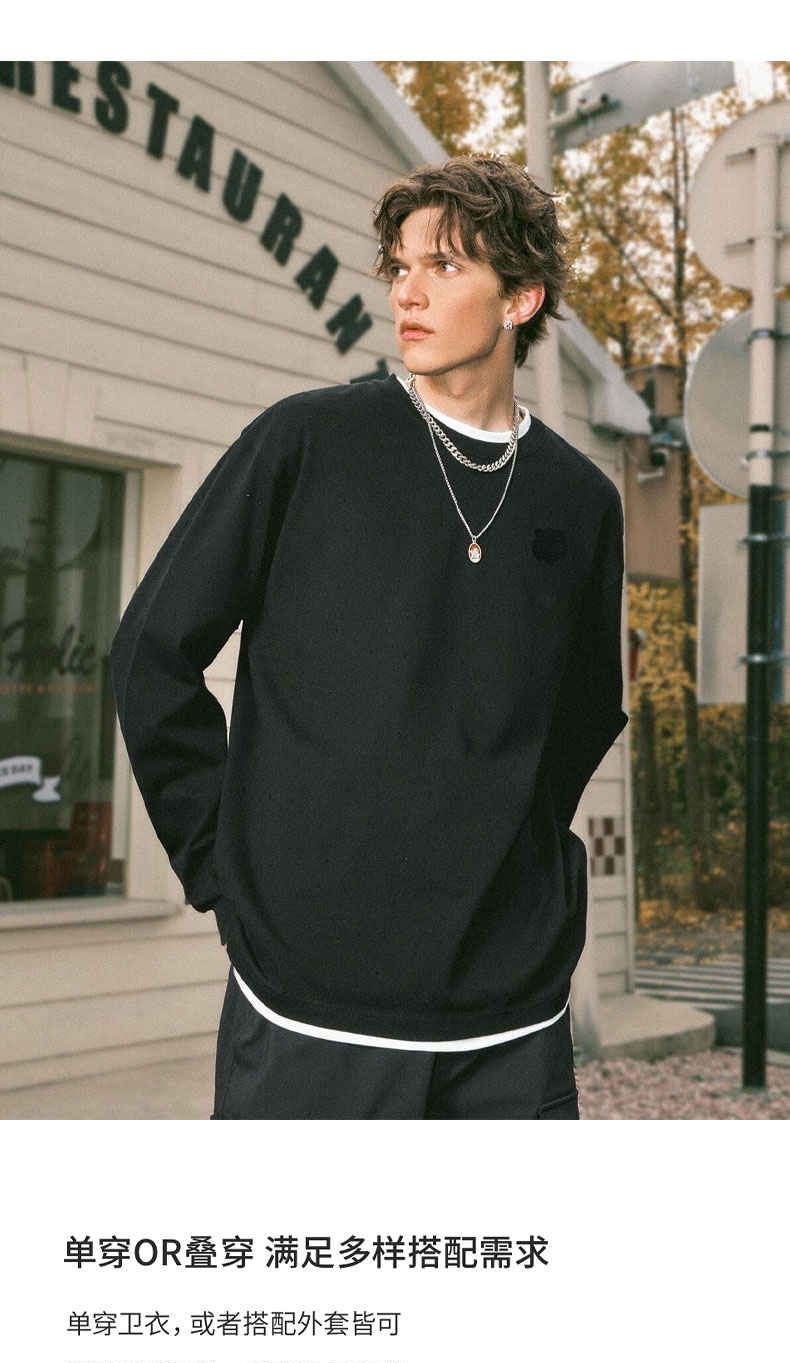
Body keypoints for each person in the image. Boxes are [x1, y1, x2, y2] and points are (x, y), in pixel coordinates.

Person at [110, 155, 628, 1120]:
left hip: (510, 1008)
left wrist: (516, 858)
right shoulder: (306, 442)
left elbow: (588, 708)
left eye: (445, 267)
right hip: (312, 993)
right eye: (400, 267)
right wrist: (224, 865)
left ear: (520, 299)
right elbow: (152, 652)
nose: (407, 294)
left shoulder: (580, 499)